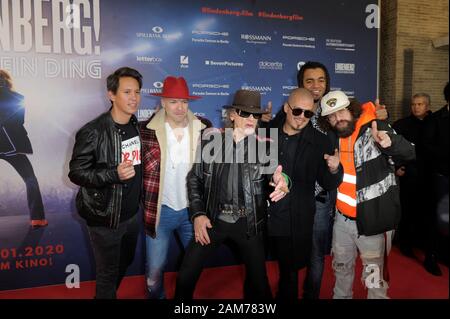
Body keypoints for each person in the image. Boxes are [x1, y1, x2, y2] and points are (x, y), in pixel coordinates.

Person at [261, 61, 388, 299]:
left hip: (324, 196)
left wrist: (379, 117)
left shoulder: (337, 109)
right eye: (309, 80)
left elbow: (361, 122)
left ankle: (311, 294)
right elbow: (272, 143)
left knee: (317, 253)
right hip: (292, 195)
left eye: (321, 80)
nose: (316, 85)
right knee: (291, 256)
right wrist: (262, 122)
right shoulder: (291, 109)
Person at [175, 89, 288, 299]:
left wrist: (281, 182)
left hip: (249, 225)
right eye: (244, 113)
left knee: (260, 286)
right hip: (213, 222)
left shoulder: (265, 146)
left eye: (255, 115)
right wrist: (198, 214)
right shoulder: (211, 142)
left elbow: (276, 176)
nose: (250, 119)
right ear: (232, 115)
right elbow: (194, 179)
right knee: (185, 278)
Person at [320, 90, 415, 299]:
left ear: (351, 109)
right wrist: (333, 170)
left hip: (372, 224)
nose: (338, 119)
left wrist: (390, 144)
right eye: (332, 116)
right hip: (342, 223)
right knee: (341, 270)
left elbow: (409, 152)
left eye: (341, 112)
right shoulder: (333, 136)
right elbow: (332, 180)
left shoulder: (375, 127)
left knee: (374, 280)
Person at [68, 67, 143, 299]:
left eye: (137, 92)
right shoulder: (92, 131)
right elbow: (76, 173)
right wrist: (112, 174)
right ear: (111, 94)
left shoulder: (135, 124)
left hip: (131, 215)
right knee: (107, 275)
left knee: (126, 260)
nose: (134, 98)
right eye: (127, 92)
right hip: (105, 217)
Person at [266, 88, 343, 299]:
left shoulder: (320, 141)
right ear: (286, 108)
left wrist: (334, 169)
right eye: (297, 111)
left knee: (289, 275)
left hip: (293, 218)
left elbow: (328, 182)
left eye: (308, 114)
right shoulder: (267, 133)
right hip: (262, 217)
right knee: (256, 273)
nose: (301, 118)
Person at [140, 76, 210, 299]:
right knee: (154, 271)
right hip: (160, 212)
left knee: (192, 268)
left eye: (184, 101)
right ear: (162, 103)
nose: (180, 107)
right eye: (173, 101)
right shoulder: (145, 132)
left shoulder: (205, 129)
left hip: (193, 212)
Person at [0, 70, 47, 228]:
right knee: (30, 179)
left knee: (30, 179)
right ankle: (37, 219)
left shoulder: (17, 98)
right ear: (7, 81)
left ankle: (38, 218)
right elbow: (20, 121)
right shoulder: (18, 97)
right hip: (12, 146)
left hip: (9, 145)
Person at [392, 93, 432, 258]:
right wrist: (398, 166)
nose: (416, 107)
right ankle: (405, 243)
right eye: (414, 104)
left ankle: (422, 243)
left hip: (430, 175)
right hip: (408, 175)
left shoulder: (435, 123)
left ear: (427, 106)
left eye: (420, 104)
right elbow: (392, 147)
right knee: (407, 210)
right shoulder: (402, 125)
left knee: (426, 212)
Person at [421, 82, 449, 276]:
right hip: (441, 177)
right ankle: (430, 256)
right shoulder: (436, 119)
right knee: (438, 218)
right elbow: (425, 147)